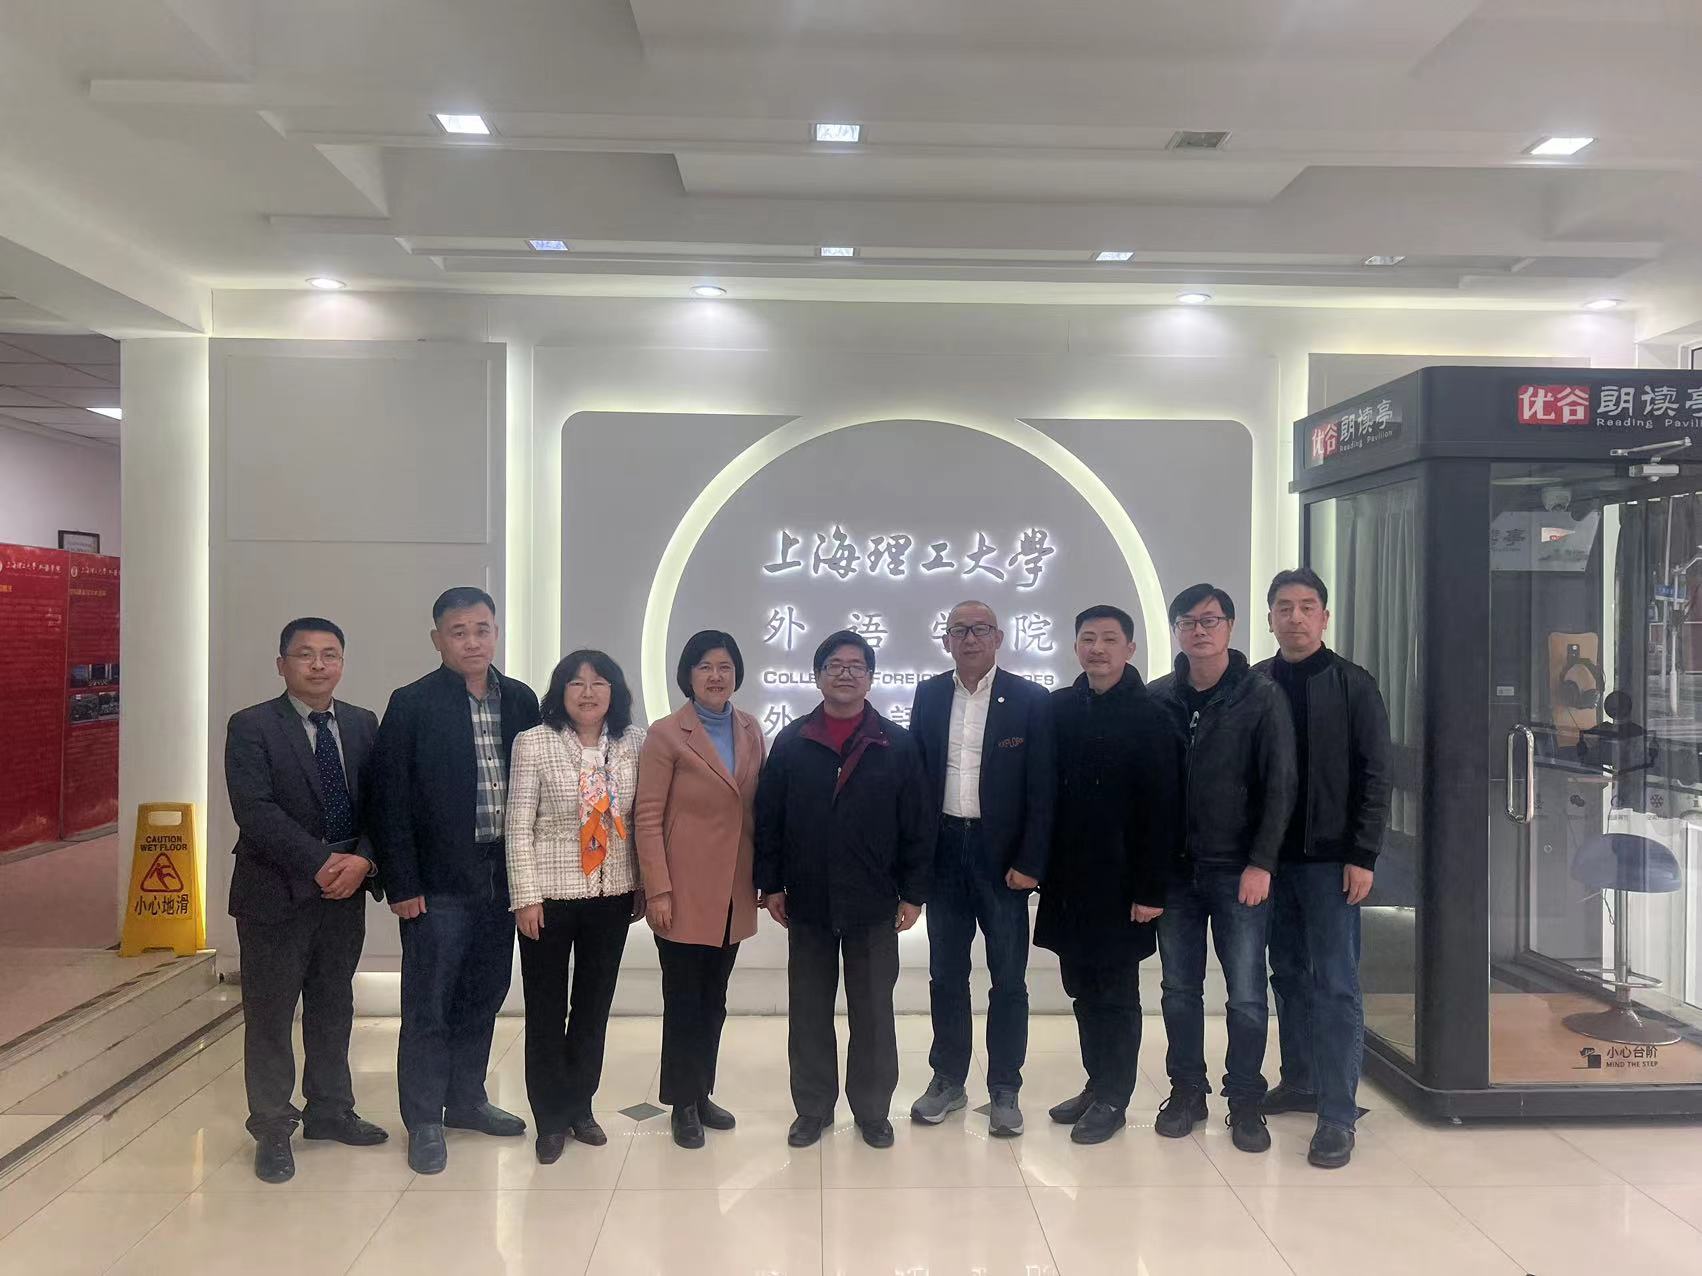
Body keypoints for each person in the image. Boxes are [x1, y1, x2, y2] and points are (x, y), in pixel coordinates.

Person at [369, 586, 541, 1175]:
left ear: (496, 633)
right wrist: (402, 883)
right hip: (438, 882)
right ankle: (423, 1118)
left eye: (482, 629)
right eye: (459, 631)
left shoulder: (520, 699)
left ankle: (466, 1099)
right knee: (429, 1003)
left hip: (502, 877)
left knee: (484, 994)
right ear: (437, 638)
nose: (473, 641)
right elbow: (389, 799)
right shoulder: (412, 702)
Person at [754, 630, 934, 1150]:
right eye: (835, 665)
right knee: (809, 1010)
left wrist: (913, 893)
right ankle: (812, 1109)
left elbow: (918, 825)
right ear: (817, 676)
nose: (846, 673)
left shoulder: (897, 744)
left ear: (871, 678)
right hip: (808, 900)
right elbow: (769, 819)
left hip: (874, 902)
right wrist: (771, 884)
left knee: (873, 1012)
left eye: (857, 666)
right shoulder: (793, 741)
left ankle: (872, 1111)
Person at [225, 617, 387, 1184]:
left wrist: (363, 860)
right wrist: (320, 862)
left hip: (345, 891)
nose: (319, 665)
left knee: (333, 1004)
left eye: (330, 654)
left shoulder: (363, 723)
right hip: (275, 893)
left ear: (342, 662)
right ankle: (272, 1127)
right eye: (305, 654)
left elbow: (381, 803)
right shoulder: (251, 726)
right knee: (271, 1013)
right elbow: (255, 809)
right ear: (282, 664)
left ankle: (330, 1111)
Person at [1149, 583, 1297, 1154]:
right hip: (1174, 873)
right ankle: (1186, 1091)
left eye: (1210, 620)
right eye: (1188, 621)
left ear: (1231, 627)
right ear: (1176, 631)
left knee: (1246, 995)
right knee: (1178, 990)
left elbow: (1280, 786)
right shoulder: (1160, 698)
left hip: (1239, 872)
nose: (1199, 630)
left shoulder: (1260, 696)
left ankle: (1245, 1099)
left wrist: (1262, 862)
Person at [1256, 568, 1391, 1169]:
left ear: (1325, 617)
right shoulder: (1255, 683)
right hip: (1269, 863)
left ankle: (1337, 1113)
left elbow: (1375, 775)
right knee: (1286, 973)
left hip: (1331, 861)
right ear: (1270, 618)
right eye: (1284, 607)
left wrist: (1363, 854)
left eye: (1307, 606)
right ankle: (1301, 1080)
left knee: (1335, 983)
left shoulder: (1353, 684)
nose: (1296, 617)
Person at [1035, 605, 1183, 1144]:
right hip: (1069, 882)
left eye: (1109, 639)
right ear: (1076, 646)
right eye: (1088, 638)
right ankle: (1096, 1083)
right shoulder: (1057, 709)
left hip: (1124, 886)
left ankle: (1115, 1097)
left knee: (1116, 992)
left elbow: (1163, 810)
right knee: (1081, 988)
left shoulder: (1152, 715)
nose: (1097, 648)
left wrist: (1150, 889)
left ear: (1130, 649)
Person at [908, 600, 1055, 1137]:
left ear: (998, 638)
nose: (970, 639)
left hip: (1003, 859)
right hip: (945, 850)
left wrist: (1031, 862)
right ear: (947, 640)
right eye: (959, 630)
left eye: (980, 629)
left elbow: (1043, 789)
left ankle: (1005, 1086)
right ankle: (948, 1078)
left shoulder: (1030, 700)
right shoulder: (928, 695)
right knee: (945, 975)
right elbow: (917, 781)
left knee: (1008, 978)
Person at [507, 649, 646, 1164]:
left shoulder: (634, 742)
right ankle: (549, 1117)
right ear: (560, 692)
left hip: (612, 897)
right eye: (576, 683)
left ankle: (580, 1106)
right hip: (548, 898)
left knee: (592, 1008)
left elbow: (643, 818)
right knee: (545, 1009)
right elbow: (518, 825)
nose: (588, 693)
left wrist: (641, 884)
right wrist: (525, 896)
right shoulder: (534, 742)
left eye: (599, 683)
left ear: (615, 692)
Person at [635, 631, 765, 1149]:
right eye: (705, 666)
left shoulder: (750, 728)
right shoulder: (667, 734)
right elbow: (647, 817)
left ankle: (702, 1090)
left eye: (725, 667)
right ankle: (681, 1103)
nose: (716, 676)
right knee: (685, 999)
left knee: (715, 999)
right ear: (688, 675)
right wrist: (658, 890)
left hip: (733, 887)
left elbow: (755, 807)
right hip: (683, 890)